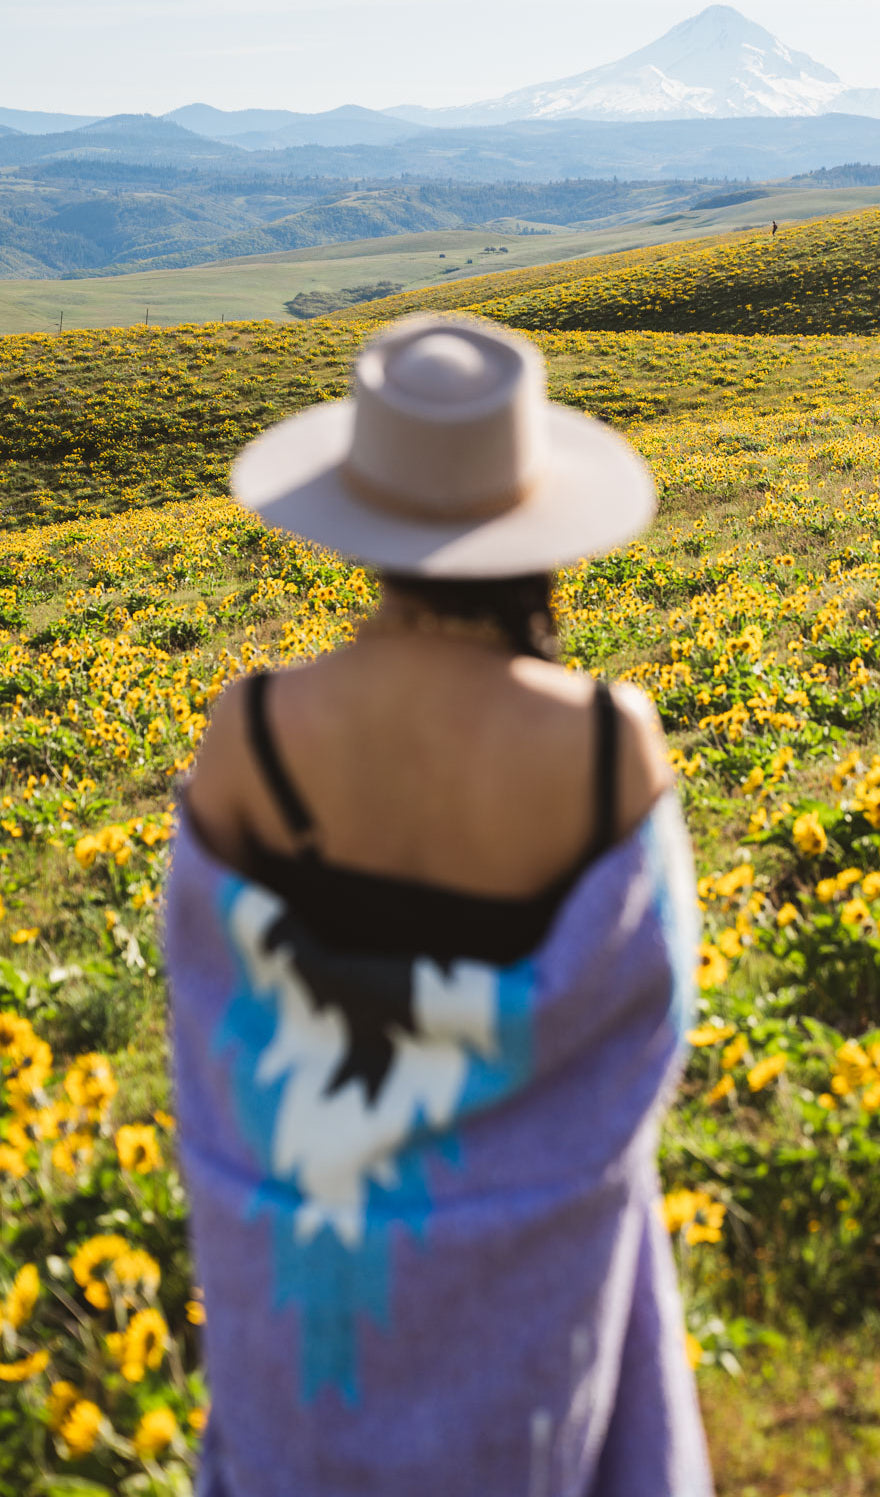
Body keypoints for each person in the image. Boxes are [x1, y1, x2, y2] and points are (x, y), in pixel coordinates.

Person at [165, 313, 714, 1497]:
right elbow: (650, 1001)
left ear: (361, 522)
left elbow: (210, 1000)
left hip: (309, 1288)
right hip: (525, 1296)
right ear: (535, 525)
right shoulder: (603, 745)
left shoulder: (251, 731)